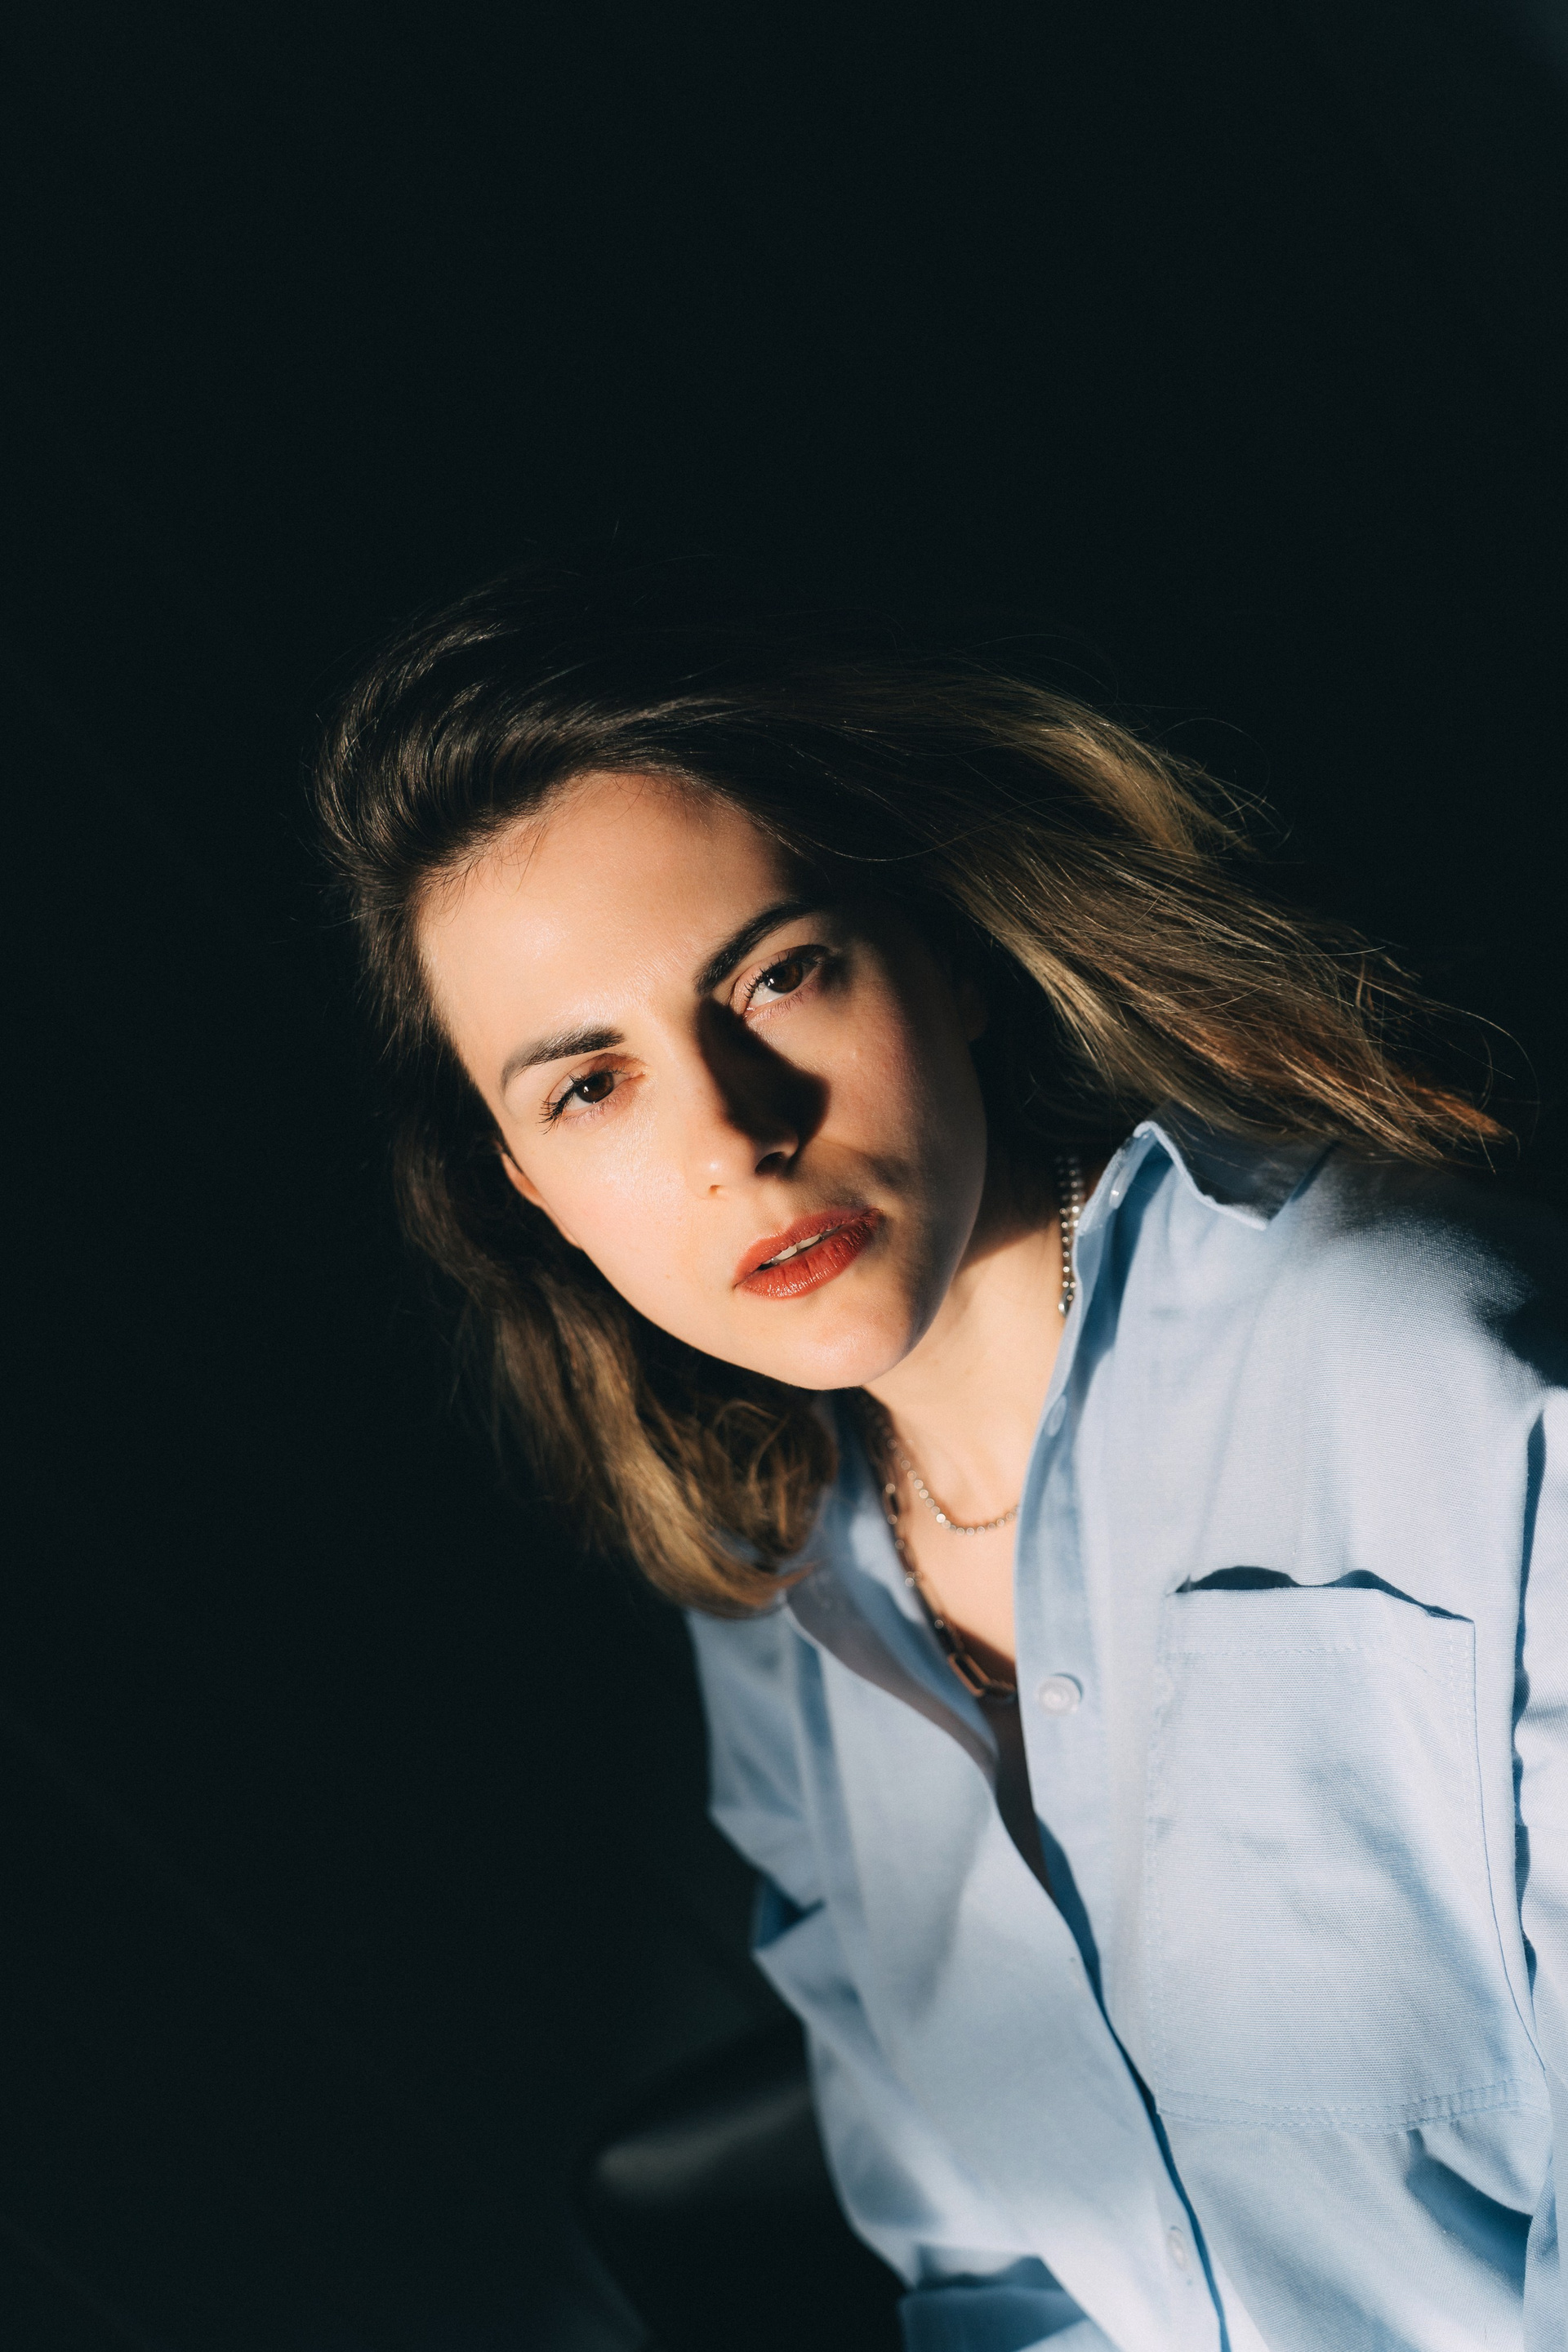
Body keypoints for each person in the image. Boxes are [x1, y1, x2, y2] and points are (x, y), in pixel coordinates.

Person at [314, 565, 1567, 2352]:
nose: (736, 1137)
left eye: (778, 977)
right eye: (591, 1086)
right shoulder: (781, 1614)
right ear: (531, 1190)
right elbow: (993, 2283)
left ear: (947, 956)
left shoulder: (1419, 1364)